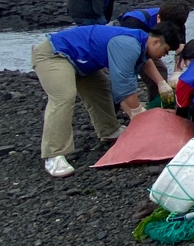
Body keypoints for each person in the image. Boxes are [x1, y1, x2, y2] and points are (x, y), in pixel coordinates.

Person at [31, 19, 182, 177]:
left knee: (101, 89)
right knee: (64, 97)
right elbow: (123, 85)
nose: (165, 55)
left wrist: (161, 83)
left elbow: (145, 61)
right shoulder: (128, 44)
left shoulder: (142, 39)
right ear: (156, 42)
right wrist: (137, 114)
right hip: (55, 55)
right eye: (166, 50)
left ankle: (109, 130)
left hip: (81, 62)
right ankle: (53, 155)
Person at [118, 0, 193, 101]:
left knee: (161, 70)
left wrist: (177, 72)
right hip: (126, 50)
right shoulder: (133, 22)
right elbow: (140, 57)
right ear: (158, 18)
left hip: (150, 47)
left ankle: (159, 104)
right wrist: (160, 82)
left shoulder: (177, 21)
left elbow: (180, 48)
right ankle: (125, 105)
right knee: (129, 78)